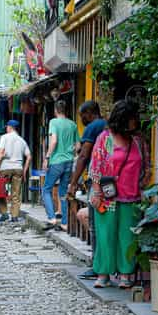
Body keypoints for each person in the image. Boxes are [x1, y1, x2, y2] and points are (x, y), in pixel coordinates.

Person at [89, 100, 149, 289]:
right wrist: (97, 191)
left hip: (132, 197)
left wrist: (142, 187)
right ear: (123, 119)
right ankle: (103, 273)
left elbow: (146, 167)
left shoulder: (138, 140)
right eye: (132, 118)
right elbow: (96, 167)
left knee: (128, 236)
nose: (135, 122)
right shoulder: (104, 138)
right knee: (105, 235)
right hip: (107, 197)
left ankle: (126, 273)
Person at [67, 101, 107, 278]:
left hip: (97, 182)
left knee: (94, 224)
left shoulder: (92, 127)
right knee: (104, 222)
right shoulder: (106, 125)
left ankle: (97, 265)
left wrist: (73, 182)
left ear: (90, 113)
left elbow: (84, 155)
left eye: (82, 115)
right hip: (110, 182)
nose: (81, 119)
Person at [42, 99, 79, 231]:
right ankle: (64, 223)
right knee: (63, 192)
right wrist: (71, 155)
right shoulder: (73, 124)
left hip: (56, 161)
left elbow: (54, 141)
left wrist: (47, 157)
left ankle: (52, 218)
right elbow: (78, 146)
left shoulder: (53, 122)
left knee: (46, 189)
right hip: (69, 162)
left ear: (56, 110)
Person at [0, 119, 31, 223]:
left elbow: (1, 152)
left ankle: (4, 213)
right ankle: (14, 216)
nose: (6, 128)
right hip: (18, 168)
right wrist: (24, 170)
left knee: (0, 192)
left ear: (10, 127)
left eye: (7, 127)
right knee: (16, 193)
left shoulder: (4, 137)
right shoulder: (22, 140)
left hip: (5, 168)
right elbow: (29, 156)